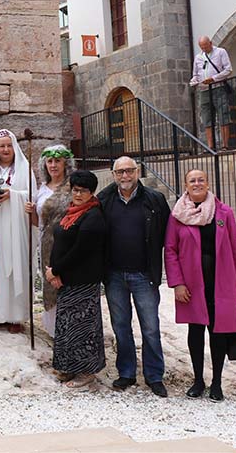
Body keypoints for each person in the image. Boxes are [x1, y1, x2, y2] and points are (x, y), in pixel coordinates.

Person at [165, 169, 236, 403]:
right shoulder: (177, 215)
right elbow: (170, 250)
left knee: (219, 333)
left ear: (207, 183)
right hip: (191, 285)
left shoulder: (224, 212)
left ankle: (217, 383)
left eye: (201, 180)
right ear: (186, 185)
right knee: (196, 331)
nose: (197, 183)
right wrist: (177, 283)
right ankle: (198, 380)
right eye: (192, 180)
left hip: (221, 283)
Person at [96, 156, 171, 397]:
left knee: (150, 327)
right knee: (120, 326)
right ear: (113, 174)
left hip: (144, 275)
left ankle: (154, 375)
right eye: (120, 172)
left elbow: (168, 236)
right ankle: (126, 372)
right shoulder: (104, 199)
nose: (125, 176)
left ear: (137, 172)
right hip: (114, 275)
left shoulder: (154, 199)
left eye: (129, 171)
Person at [47, 169, 106, 389]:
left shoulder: (93, 216)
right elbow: (60, 239)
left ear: (92, 193)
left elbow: (80, 251)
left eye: (83, 191)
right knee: (67, 325)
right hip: (67, 279)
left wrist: (56, 270)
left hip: (83, 279)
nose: (78, 194)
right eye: (75, 190)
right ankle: (69, 366)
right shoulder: (72, 211)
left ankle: (86, 371)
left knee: (83, 327)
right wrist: (55, 271)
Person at [0, 129, 36, 333]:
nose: (5, 149)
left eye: (9, 145)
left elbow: (32, 195)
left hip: (15, 227)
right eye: (1, 146)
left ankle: (15, 316)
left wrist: (12, 195)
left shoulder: (24, 168)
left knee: (15, 266)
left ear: (14, 147)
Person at [25, 145, 75, 338]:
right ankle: (55, 331)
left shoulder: (73, 187)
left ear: (65, 163)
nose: (53, 165)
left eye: (57, 161)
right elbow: (40, 223)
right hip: (46, 245)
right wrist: (31, 213)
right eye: (49, 161)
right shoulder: (41, 190)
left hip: (68, 245)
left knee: (67, 284)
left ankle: (70, 330)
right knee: (50, 284)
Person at [190, 36, 233, 150]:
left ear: (211, 43)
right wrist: (194, 81)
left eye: (206, 46)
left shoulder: (220, 52)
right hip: (204, 90)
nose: (204, 49)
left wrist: (213, 78)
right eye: (202, 47)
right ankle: (210, 146)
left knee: (223, 115)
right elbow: (195, 74)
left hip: (218, 87)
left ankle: (225, 145)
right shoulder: (198, 57)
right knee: (207, 118)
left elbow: (228, 70)